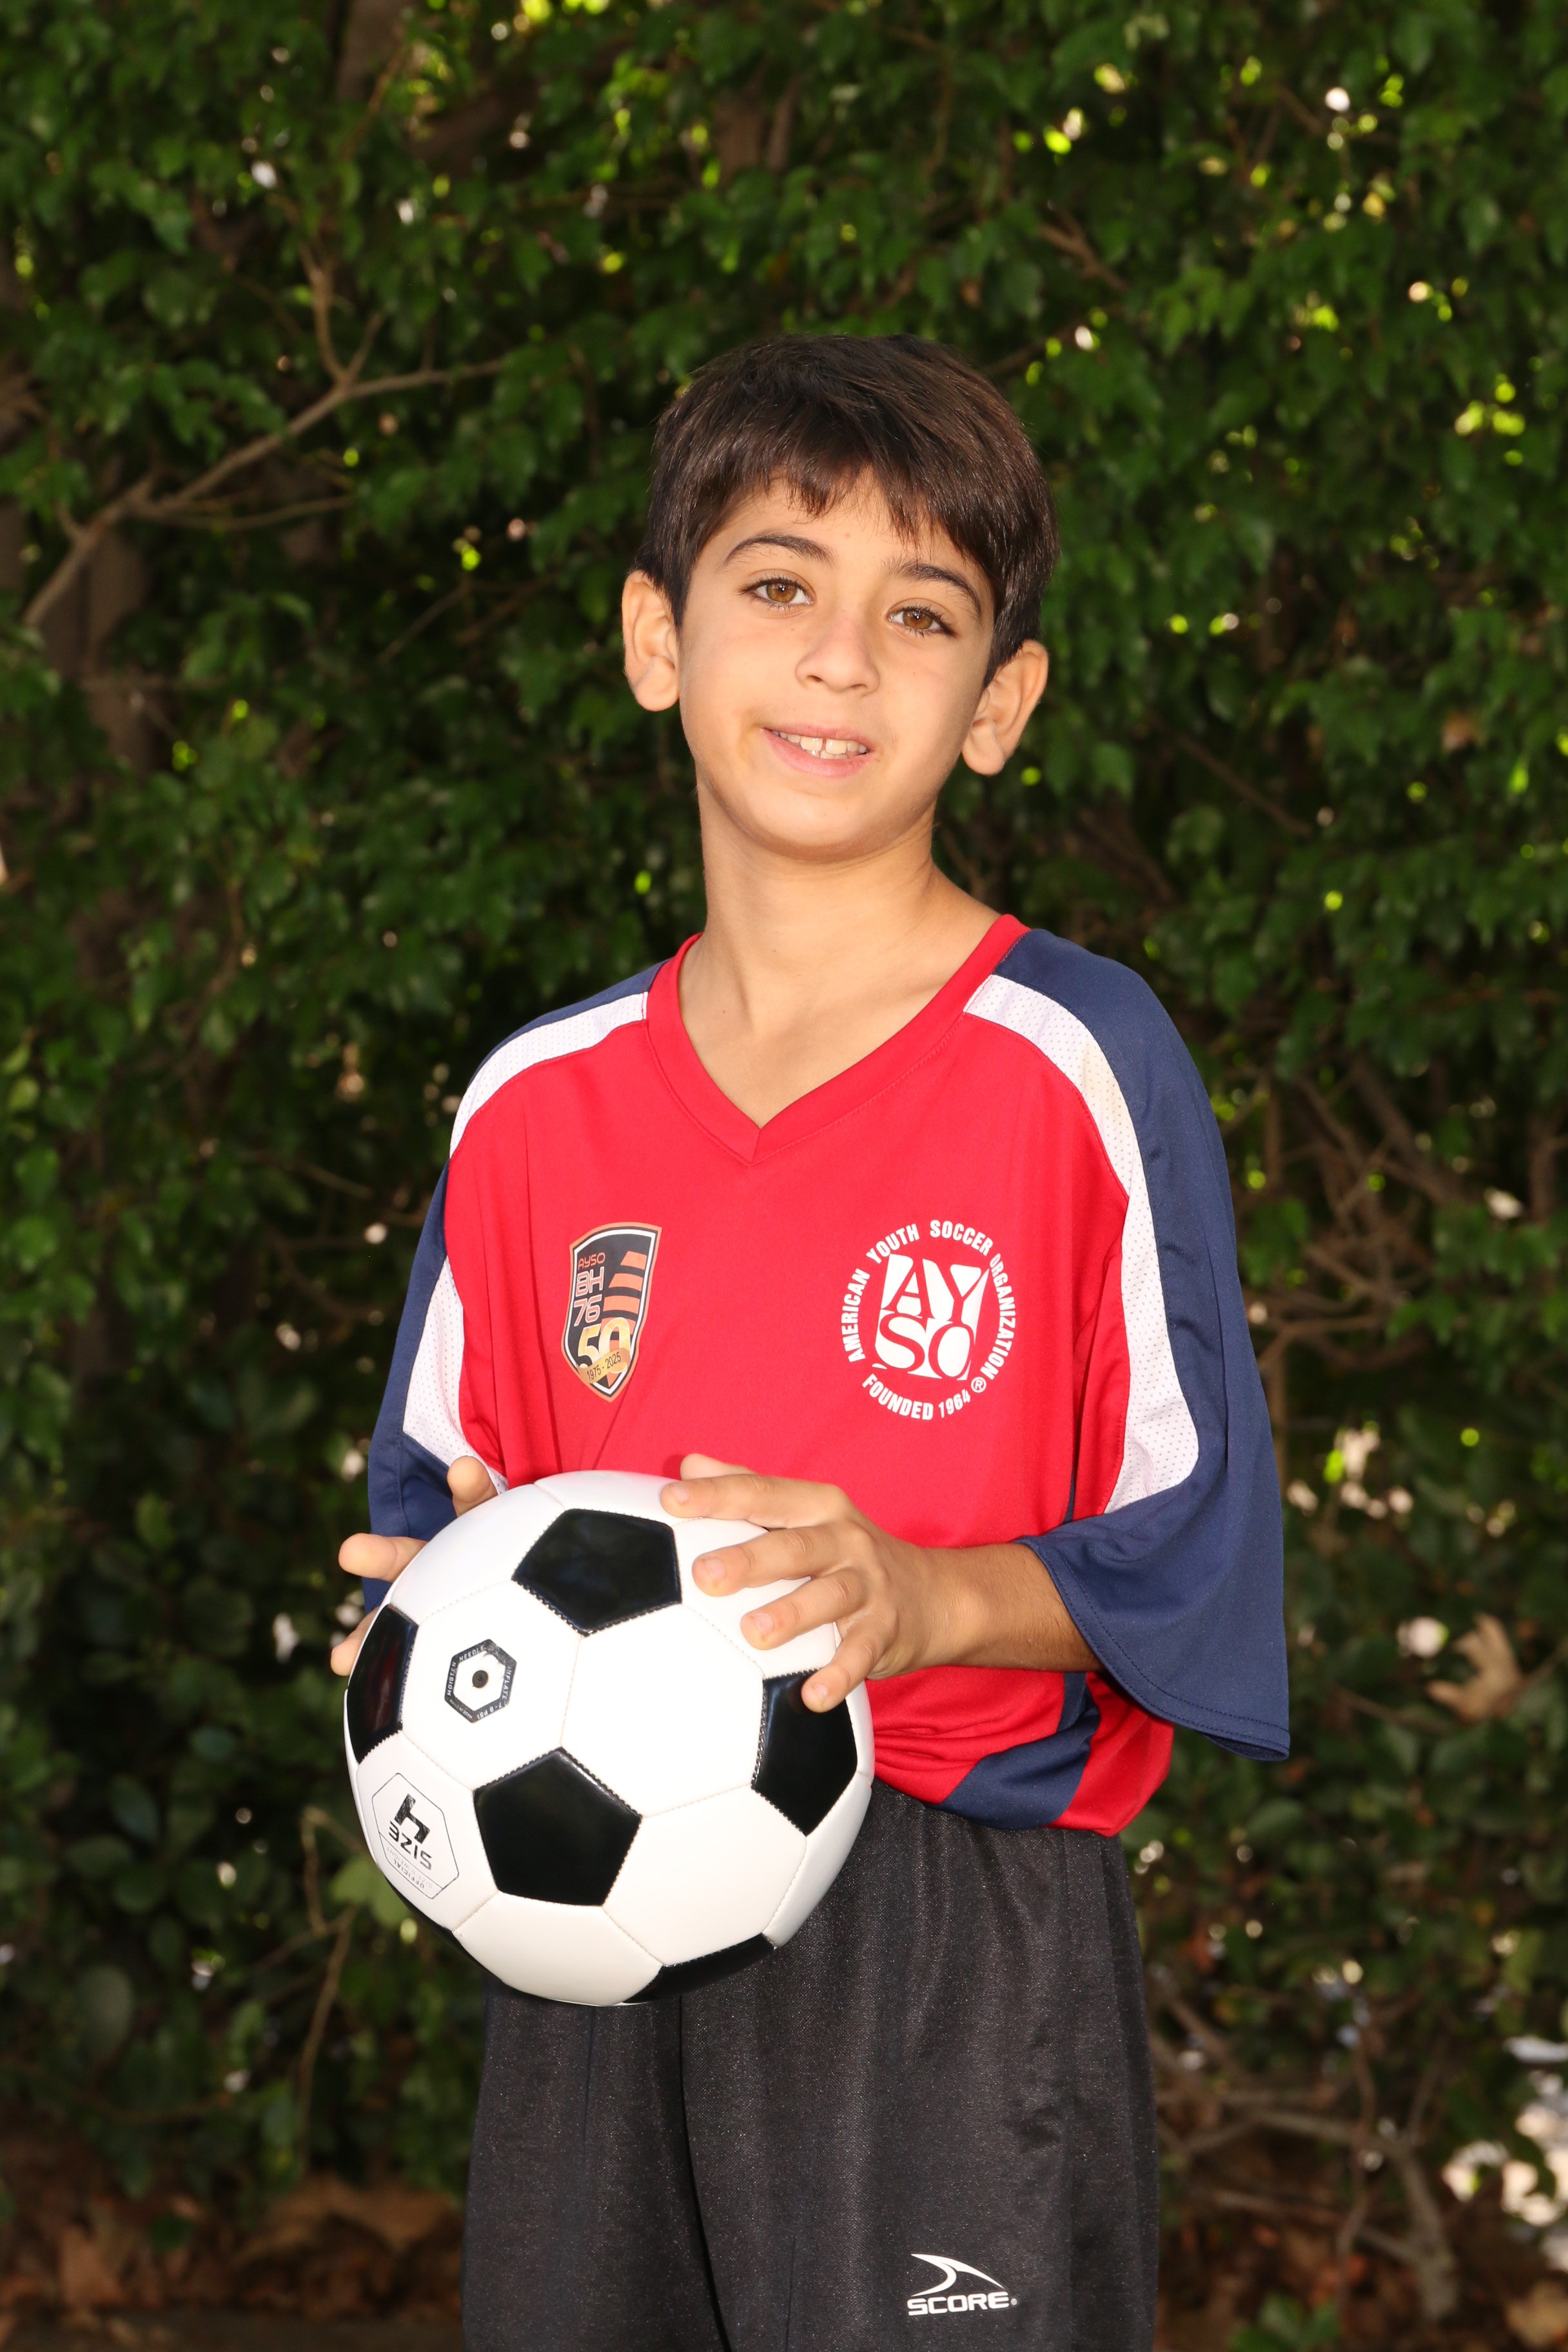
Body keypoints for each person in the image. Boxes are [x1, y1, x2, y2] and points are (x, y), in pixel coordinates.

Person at [331, 334, 1288, 2351]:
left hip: (947, 1940)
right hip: (578, 1911)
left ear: (999, 702)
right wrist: (418, 1628)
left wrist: (920, 1598)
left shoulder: (1078, 1063)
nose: (842, 658)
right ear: (655, 640)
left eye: (920, 613)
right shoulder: (532, 1105)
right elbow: (434, 1521)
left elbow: (1190, 1548)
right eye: (779, 583)